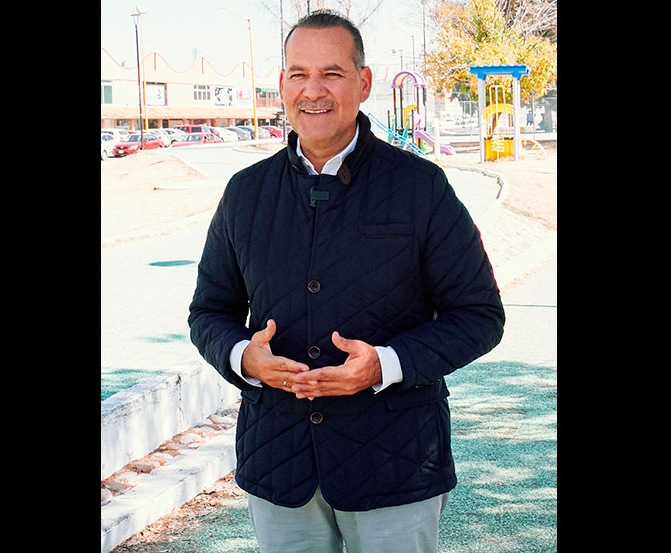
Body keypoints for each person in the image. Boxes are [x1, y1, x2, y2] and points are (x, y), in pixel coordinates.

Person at [188, 10, 505, 553]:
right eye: (298, 74)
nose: (313, 91)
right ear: (282, 84)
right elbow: (209, 312)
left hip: (396, 462)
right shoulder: (245, 192)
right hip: (278, 461)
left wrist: (385, 364)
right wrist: (243, 358)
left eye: (331, 74)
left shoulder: (421, 187)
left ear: (363, 82)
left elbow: (479, 316)